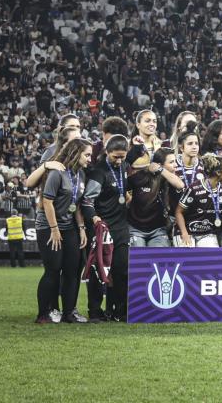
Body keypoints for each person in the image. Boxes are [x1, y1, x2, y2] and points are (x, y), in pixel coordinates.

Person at [35, 138, 92, 324]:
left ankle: (70, 312)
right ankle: (44, 313)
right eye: (87, 155)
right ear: (76, 153)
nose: (90, 158)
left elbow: (76, 205)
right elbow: (47, 201)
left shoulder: (80, 174)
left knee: (72, 269)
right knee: (53, 269)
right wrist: (54, 229)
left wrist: (81, 229)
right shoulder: (57, 172)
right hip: (48, 226)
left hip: (69, 226)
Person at [82, 134, 133, 322]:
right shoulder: (99, 172)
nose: (119, 160)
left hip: (121, 227)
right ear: (107, 152)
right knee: (98, 270)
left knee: (121, 269)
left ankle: (118, 310)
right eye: (115, 157)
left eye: (122, 156)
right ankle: (95, 311)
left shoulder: (125, 168)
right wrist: (94, 218)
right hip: (101, 228)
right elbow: (87, 200)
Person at [128, 147, 182, 248]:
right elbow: (123, 187)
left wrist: (161, 170)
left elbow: (180, 185)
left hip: (159, 231)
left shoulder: (171, 178)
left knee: (158, 260)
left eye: (175, 161)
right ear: (159, 164)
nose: (176, 165)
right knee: (139, 261)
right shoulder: (141, 176)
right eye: (171, 162)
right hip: (136, 230)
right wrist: (128, 199)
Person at [174, 153, 222, 248]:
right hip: (187, 231)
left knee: (209, 260)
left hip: (207, 233)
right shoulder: (194, 188)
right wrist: (184, 233)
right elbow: (178, 212)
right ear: (218, 173)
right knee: (188, 258)